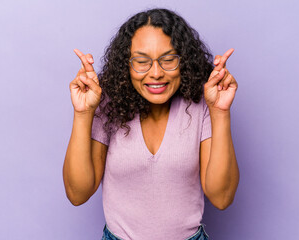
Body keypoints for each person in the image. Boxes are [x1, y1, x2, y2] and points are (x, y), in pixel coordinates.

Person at [63, 8, 239, 240]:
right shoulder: (107, 104)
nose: (156, 73)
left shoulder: (202, 105)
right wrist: (83, 113)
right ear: (126, 65)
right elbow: (77, 194)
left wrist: (220, 111)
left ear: (184, 61)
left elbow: (222, 197)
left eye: (168, 60)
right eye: (141, 62)